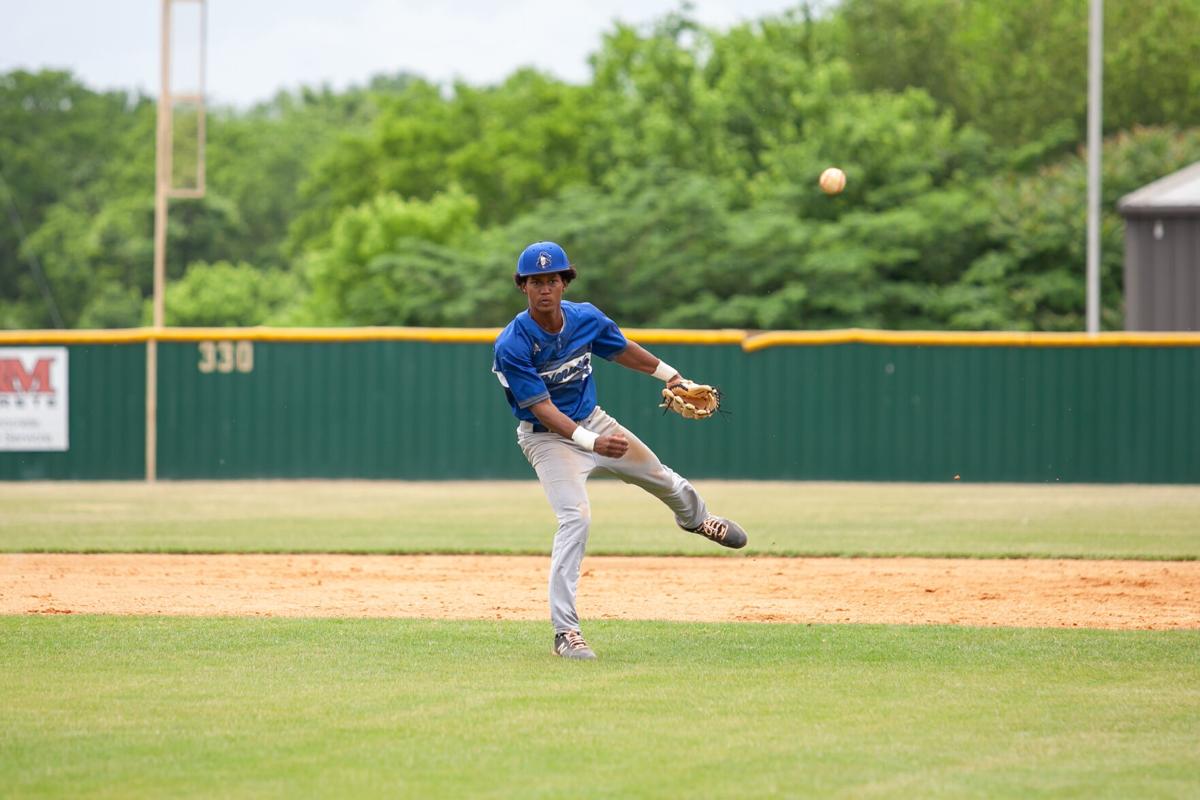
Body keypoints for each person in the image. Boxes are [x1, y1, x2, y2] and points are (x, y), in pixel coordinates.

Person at [492, 241, 748, 661]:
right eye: (535, 281)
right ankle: (565, 633)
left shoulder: (584, 318)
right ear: (523, 287)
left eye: (552, 279)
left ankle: (699, 520)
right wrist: (591, 443)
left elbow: (623, 349)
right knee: (575, 518)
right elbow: (542, 408)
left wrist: (672, 376)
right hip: (546, 437)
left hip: (593, 421)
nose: (544, 288)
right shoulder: (513, 344)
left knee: (658, 475)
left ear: (564, 282)